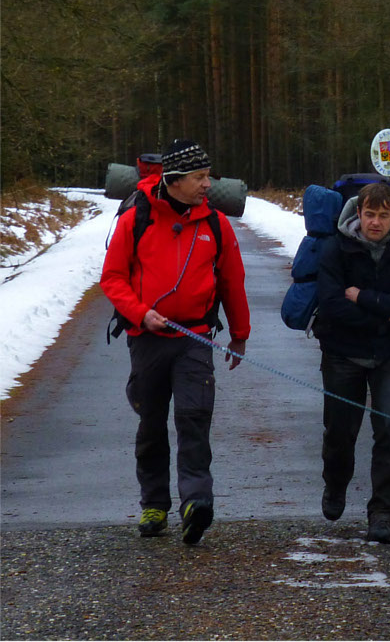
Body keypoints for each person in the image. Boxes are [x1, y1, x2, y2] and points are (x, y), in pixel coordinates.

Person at [101, 139, 251, 545]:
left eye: (208, 177)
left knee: (193, 418)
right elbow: (112, 277)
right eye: (200, 177)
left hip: (196, 338)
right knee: (151, 423)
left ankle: (195, 502)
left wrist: (239, 335)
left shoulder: (217, 224)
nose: (208, 185)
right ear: (174, 179)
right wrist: (139, 312)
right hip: (146, 338)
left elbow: (232, 282)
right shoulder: (137, 219)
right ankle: (153, 503)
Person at [313, 182, 390, 544]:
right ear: (357, 214)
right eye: (369, 214)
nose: (374, 222)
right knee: (340, 433)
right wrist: (383, 315)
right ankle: (335, 485)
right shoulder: (335, 248)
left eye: (382, 215)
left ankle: (382, 513)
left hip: (389, 356)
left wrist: (363, 297)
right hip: (341, 353)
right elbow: (331, 303)